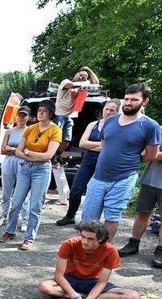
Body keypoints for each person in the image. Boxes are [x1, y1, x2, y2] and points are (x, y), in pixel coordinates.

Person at [81, 83, 161, 241]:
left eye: (134, 99)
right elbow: (105, 146)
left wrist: (129, 160)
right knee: (88, 218)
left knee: (111, 217)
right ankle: (86, 251)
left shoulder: (151, 126)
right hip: (98, 177)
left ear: (145, 101)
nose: (129, 102)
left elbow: (152, 155)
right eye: (126, 99)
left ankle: (103, 253)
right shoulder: (110, 121)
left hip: (123, 179)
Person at [38, 221, 141, 299]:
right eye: (83, 236)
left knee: (134, 296)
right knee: (44, 287)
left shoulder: (110, 251)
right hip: (70, 279)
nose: (84, 241)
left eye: (90, 239)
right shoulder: (69, 244)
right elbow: (59, 275)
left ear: (100, 239)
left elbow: (102, 282)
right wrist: (75, 296)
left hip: (93, 282)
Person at [0, 100, 62, 250]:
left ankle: (29, 238)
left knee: (35, 206)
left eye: (44, 110)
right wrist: (30, 156)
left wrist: (28, 152)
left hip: (41, 170)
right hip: (25, 168)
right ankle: (10, 231)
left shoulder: (55, 130)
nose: (40, 113)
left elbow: (48, 156)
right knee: (16, 202)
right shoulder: (30, 129)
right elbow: (19, 152)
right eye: (39, 110)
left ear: (51, 113)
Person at [56, 99, 121, 226]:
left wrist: (95, 145)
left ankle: (91, 222)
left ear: (118, 112)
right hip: (89, 160)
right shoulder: (93, 124)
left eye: (112, 110)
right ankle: (70, 215)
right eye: (106, 109)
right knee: (76, 189)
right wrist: (104, 145)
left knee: (95, 193)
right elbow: (82, 143)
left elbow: (116, 146)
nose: (108, 112)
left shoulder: (119, 127)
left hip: (106, 162)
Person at [118, 123, 162, 268]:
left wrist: (159, 155)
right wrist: (158, 156)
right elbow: (149, 155)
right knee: (143, 213)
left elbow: (156, 155)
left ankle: (161, 250)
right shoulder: (160, 129)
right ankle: (133, 244)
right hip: (150, 179)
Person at [52, 67, 100, 204]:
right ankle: (52, 155)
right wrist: (85, 81)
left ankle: (57, 156)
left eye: (85, 77)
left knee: (67, 139)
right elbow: (70, 85)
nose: (82, 77)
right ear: (76, 74)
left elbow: (95, 83)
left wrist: (89, 71)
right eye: (81, 75)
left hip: (68, 117)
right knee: (57, 137)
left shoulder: (79, 88)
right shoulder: (65, 82)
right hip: (59, 116)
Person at [0, 106, 31, 230]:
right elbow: (3, 150)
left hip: (23, 162)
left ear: (28, 117)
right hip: (9, 162)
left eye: (24, 115)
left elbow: (27, 151)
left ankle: (25, 219)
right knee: (6, 191)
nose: (21, 117)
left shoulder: (30, 131)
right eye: (20, 115)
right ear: (16, 116)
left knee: (23, 191)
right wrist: (18, 150)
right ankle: (3, 216)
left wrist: (13, 149)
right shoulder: (10, 131)